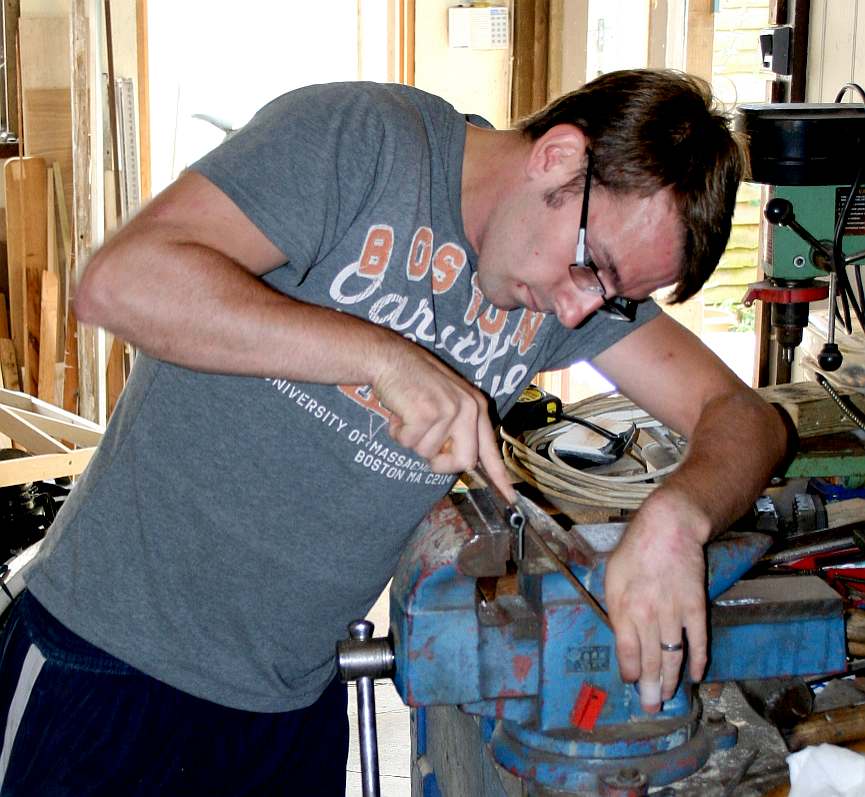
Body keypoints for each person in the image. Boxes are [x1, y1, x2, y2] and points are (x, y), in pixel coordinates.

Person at [0, 69, 789, 794]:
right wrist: (381, 357)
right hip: (102, 668)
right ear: (556, 158)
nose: (580, 311)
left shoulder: (558, 296)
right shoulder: (362, 141)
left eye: (614, 298)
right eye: (595, 268)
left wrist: (675, 520)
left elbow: (745, 419)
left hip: (286, 706)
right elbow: (119, 283)